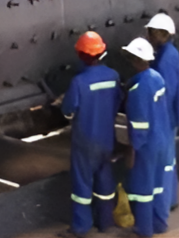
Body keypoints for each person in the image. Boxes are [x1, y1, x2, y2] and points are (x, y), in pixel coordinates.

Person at [61, 31, 122, 237]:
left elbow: (68, 111)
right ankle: (105, 222)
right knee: (105, 181)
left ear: (81, 55)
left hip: (85, 142)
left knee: (82, 184)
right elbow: (117, 102)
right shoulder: (113, 76)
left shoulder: (78, 82)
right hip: (107, 139)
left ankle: (81, 227)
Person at [122, 37, 170, 237]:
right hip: (162, 140)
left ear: (135, 60)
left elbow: (140, 125)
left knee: (142, 189)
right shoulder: (157, 78)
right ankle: (159, 224)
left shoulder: (138, 90)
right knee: (157, 185)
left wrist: (133, 150)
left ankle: (144, 229)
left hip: (147, 146)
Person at [146, 13, 179, 211]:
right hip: (168, 116)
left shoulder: (165, 59)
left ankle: (166, 202)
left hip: (165, 117)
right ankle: (170, 199)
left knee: (165, 162)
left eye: (152, 33)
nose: (149, 37)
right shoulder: (167, 53)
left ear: (163, 34)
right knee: (168, 161)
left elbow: (165, 92)